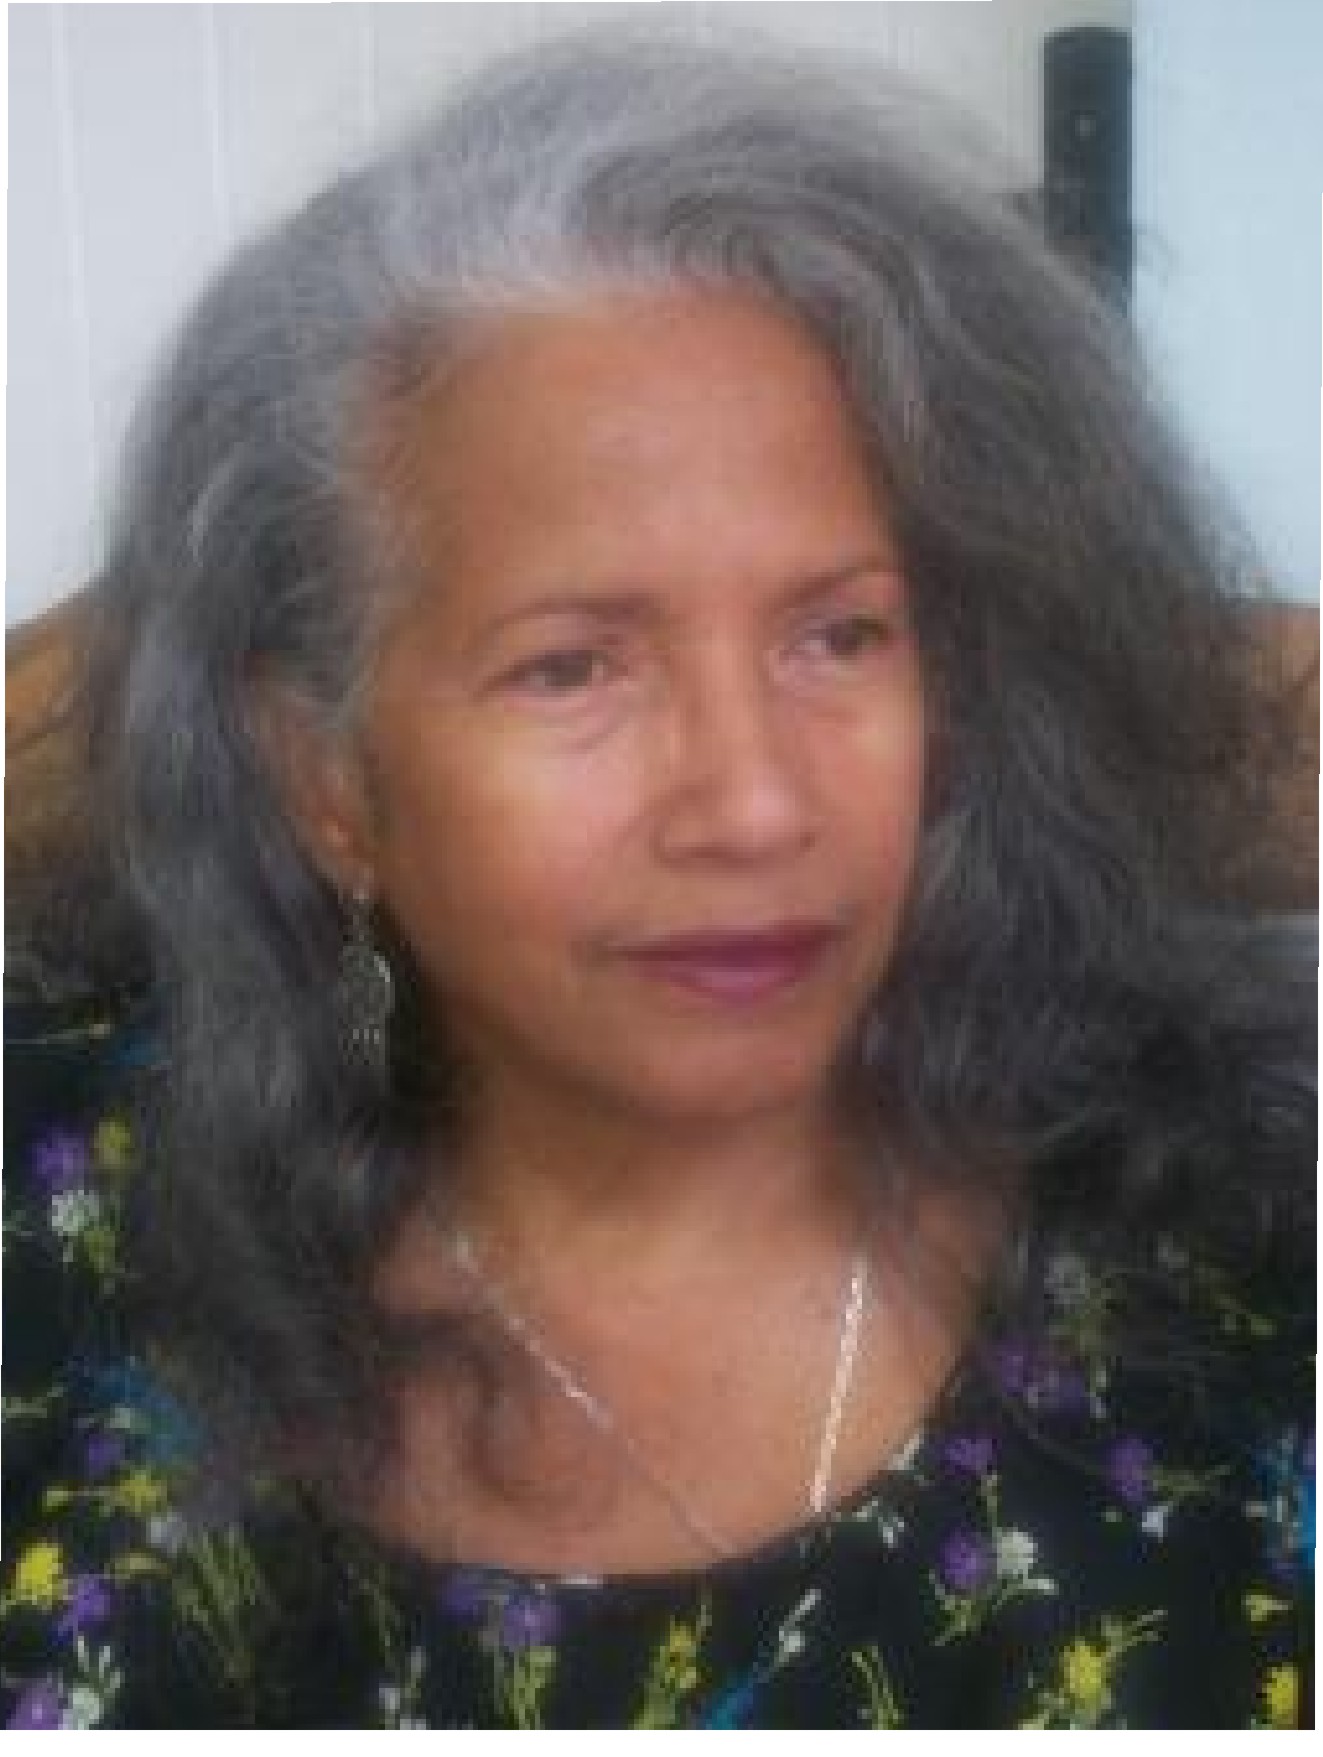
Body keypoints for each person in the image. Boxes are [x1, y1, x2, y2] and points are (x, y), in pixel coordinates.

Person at [1, 22, 1313, 1730]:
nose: (755, 804)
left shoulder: (1244, 1265)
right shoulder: (55, 1242)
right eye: (574, 667)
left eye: (840, 634)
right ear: (328, 779)